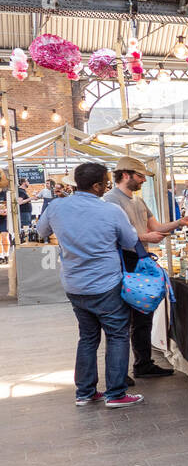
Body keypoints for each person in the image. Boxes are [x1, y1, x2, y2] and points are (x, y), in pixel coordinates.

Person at [35, 162, 150, 408]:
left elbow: (41, 230)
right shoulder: (110, 210)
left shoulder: (56, 206)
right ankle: (116, 393)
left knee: (87, 337)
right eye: (106, 182)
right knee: (117, 335)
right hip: (106, 283)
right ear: (97, 185)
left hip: (74, 283)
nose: (107, 186)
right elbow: (131, 241)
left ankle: (85, 393)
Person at [105, 157, 188, 379]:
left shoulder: (138, 201)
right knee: (121, 319)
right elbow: (116, 237)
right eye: (140, 176)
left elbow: (157, 227)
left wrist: (181, 222)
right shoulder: (110, 201)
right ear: (126, 175)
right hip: (123, 261)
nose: (143, 180)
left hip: (141, 260)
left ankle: (143, 363)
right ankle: (119, 373)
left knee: (143, 313)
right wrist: (146, 237)